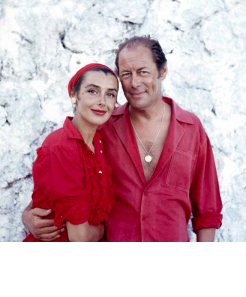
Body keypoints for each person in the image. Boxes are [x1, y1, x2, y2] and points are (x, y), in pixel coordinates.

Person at [22, 36, 223, 242]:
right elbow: (59, 183)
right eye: (126, 74)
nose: (135, 83)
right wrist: (28, 216)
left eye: (143, 72)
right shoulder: (101, 126)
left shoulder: (191, 128)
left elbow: (208, 210)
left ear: (162, 71)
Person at [23, 63, 118, 242]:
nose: (102, 101)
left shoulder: (100, 141)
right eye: (92, 91)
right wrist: (104, 229)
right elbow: (79, 238)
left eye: (110, 94)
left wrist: (26, 214)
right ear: (74, 96)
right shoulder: (60, 147)